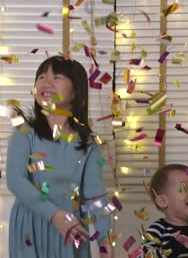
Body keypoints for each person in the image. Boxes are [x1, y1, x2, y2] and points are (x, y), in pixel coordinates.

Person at [6, 55, 112, 258]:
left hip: (72, 229)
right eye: (41, 77)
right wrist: (54, 215)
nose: (46, 82)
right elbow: (15, 180)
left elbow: (95, 196)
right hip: (31, 226)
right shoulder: (24, 131)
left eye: (57, 77)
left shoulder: (89, 143)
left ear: (75, 91)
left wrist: (105, 242)